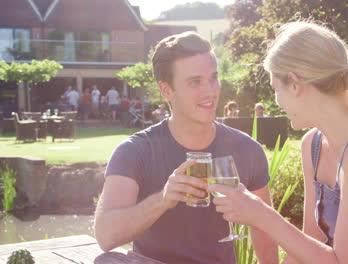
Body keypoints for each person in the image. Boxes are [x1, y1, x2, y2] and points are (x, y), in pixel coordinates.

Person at [208, 21, 348, 264]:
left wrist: (262, 216)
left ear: (295, 85)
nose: (278, 101)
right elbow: (310, 249)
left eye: (276, 89)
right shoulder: (313, 145)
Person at [94, 31, 278, 264]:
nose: (210, 91)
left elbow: (265, 235)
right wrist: (163, 199)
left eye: (213, 78)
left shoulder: (247, 150)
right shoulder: (134, 151)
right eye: (195, 82)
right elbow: (106, 237)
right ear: (166, 90)